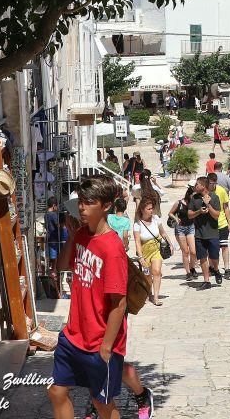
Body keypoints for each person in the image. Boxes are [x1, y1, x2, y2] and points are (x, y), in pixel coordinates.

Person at [48, 178, 130, 419]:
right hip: (74, 335)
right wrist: (73, 236)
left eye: (89, 202)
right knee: (56, 391)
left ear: (105, 206)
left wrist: (106, 347)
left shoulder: (112, 248)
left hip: (99, 341)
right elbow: (63, 265)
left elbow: (119, 303)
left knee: (102, 403)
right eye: (81, 202)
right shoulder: (82, 234)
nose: (82, 208)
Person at [187, 177, 222, 289]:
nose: (195, 186)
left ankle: (216, 270)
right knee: (202, 257)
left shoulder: (214, 197)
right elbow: (189, 215)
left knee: (214, 256)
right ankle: (206, 280)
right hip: (199, 234)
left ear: (203, 186)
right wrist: (199, 212)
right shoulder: (194, 198)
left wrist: (208, 205)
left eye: (197, 184)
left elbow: (216, 216)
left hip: (212, 233)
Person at [207, 172, 230, 281]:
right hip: (209, 225)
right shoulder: (205, 192)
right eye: (211, 183)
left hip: (221, 223)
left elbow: (226, 207)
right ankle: (212, 268)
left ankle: (227, 269)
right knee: (211, 248)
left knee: (224, 246)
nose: (213, 186)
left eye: (215, 183)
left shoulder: (221, 191)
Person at [169, 183, 197, 281]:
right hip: (180, 228)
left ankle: (192, 268)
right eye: (193, 196)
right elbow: (170, 213)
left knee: (193, 251)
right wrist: (176, 218)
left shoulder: (195, 204)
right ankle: (188, 273)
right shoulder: (179, 203)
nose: (194, 198)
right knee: (185, 251)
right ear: (188, 195)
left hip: (190, 227)